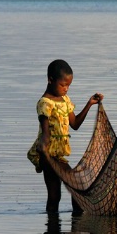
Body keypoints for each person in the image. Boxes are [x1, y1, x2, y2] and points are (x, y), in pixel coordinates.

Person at [28, 59, 103, 213]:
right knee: (55, 195)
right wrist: (43, 150)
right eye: (63, 85)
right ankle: (52, 231)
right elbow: (45, 132)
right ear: (50, 80)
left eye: (69, 85)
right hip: (48, 155)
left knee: (77, 188)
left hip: (59, 156)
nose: (66, 89)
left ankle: (77, 222)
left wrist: (89, 104)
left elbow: (74, 124)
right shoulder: (45, 103)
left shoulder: (65, 101)